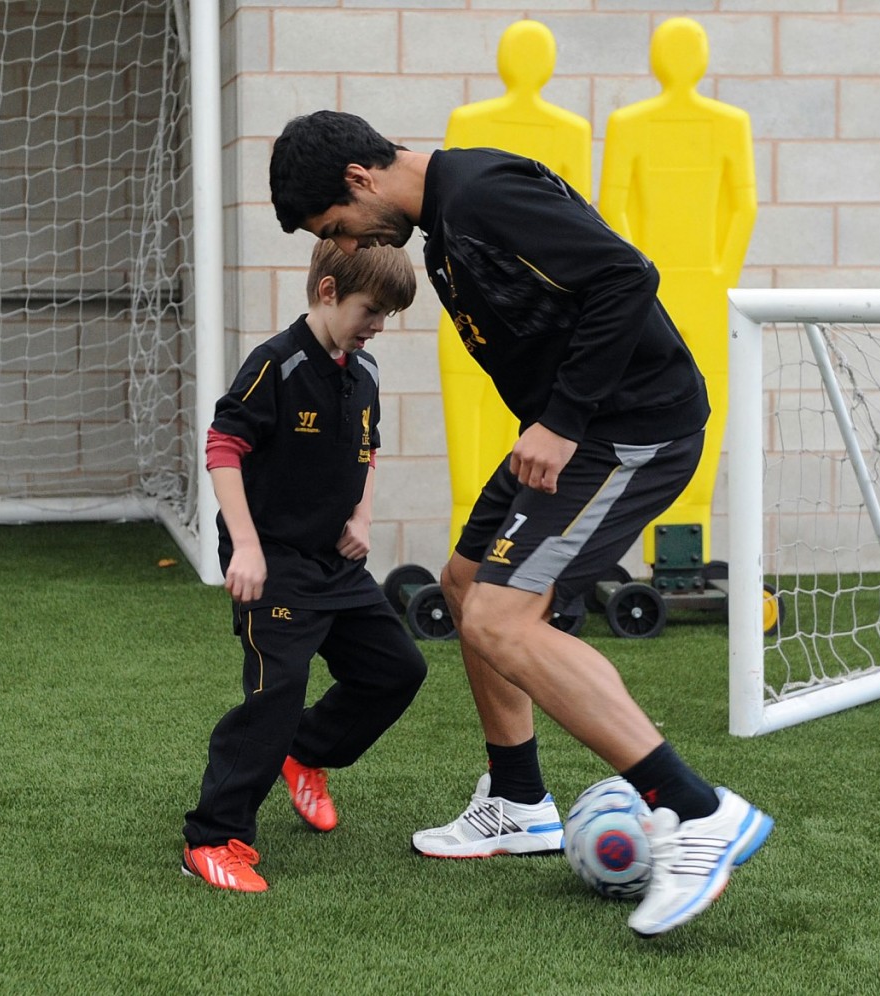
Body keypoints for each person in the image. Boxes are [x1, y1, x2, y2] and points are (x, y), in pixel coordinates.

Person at [268, 109, 773, 936]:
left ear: (360, 181)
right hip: (565, 434)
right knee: (466, 587)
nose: (351, 246)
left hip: (623, 430)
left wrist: (564, 419)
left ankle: (698, 812)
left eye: (340, 228)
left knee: (505, 621)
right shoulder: (444, 225)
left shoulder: (484, 193)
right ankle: (518, 800)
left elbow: (625, 277)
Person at [182, 238, 428, 893]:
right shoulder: (277, 364)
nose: (378, 326)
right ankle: (212, 838)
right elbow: (224, 447)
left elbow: (368, 451)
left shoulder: (364, 369)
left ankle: (308, 753)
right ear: (327, 293)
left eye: (387, 316)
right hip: (274, 561)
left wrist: (362, 518)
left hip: (335, 563)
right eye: (371, 310)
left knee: (396, 670)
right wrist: (248, 546)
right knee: (276, 694)